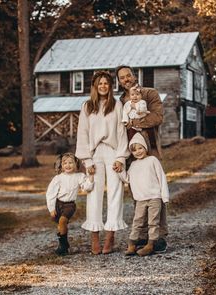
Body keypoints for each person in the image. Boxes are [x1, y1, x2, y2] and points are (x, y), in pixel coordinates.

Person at [75, 70, 129, 255]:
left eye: (106, 83)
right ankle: (95, 236)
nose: (103, 86)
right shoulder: (87, 106)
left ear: (110, 86)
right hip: (95, 152)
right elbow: (82, 133)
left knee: (115, 192)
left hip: (113, 151)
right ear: (95, 86)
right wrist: (87, 160)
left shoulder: (117, 105)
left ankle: (110, 235)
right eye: (100, 84)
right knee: (94, 194)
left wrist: (121, 157)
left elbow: (122, 132)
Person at [116, 65, 168, 253]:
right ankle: (143, 235)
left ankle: (159, 236)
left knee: (154, 191)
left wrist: (135, 123)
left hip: (149, 147)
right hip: (130, 151)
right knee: (137, 192)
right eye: (122, 78)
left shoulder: (149, 93)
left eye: (128, 75)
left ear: (134, 75)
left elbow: (157, 117)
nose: (126, 79)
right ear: (119, 81)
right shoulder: (120, 101)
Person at [119, 133, 169, 256]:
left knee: (153, 222)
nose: (138, 152)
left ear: (145, 147)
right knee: (137, 222)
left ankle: (150, 245)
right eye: (134, 150)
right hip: (140, 199)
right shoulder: (134, 165)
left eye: (140, 148)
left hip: (154, 198)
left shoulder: (152, 160)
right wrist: (119, 170)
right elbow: (127, 179)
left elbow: (161, 177)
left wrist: (165, 196)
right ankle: (131, 244)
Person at [46, 152, 94, 256]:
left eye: (71, 163)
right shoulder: (58, 178)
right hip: (58, 204)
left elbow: (87, 187)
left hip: (69, 205)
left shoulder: (79, 176)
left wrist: (90, 178)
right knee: (60, 225)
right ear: (61, 165)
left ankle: (63, 247)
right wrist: (51, 208)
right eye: (65, 163)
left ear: (76, 164)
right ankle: (64, 244)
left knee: (63, 221)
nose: (68, 165)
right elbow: (50, 193)